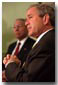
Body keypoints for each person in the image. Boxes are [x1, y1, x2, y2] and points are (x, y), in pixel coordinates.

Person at [3, 4, 55, 82]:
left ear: (45, 19)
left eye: (30, 17)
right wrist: (18, 65)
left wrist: (10, 63)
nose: (26, 23)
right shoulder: (45, 40)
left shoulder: (47, 43)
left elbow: (26, 81)